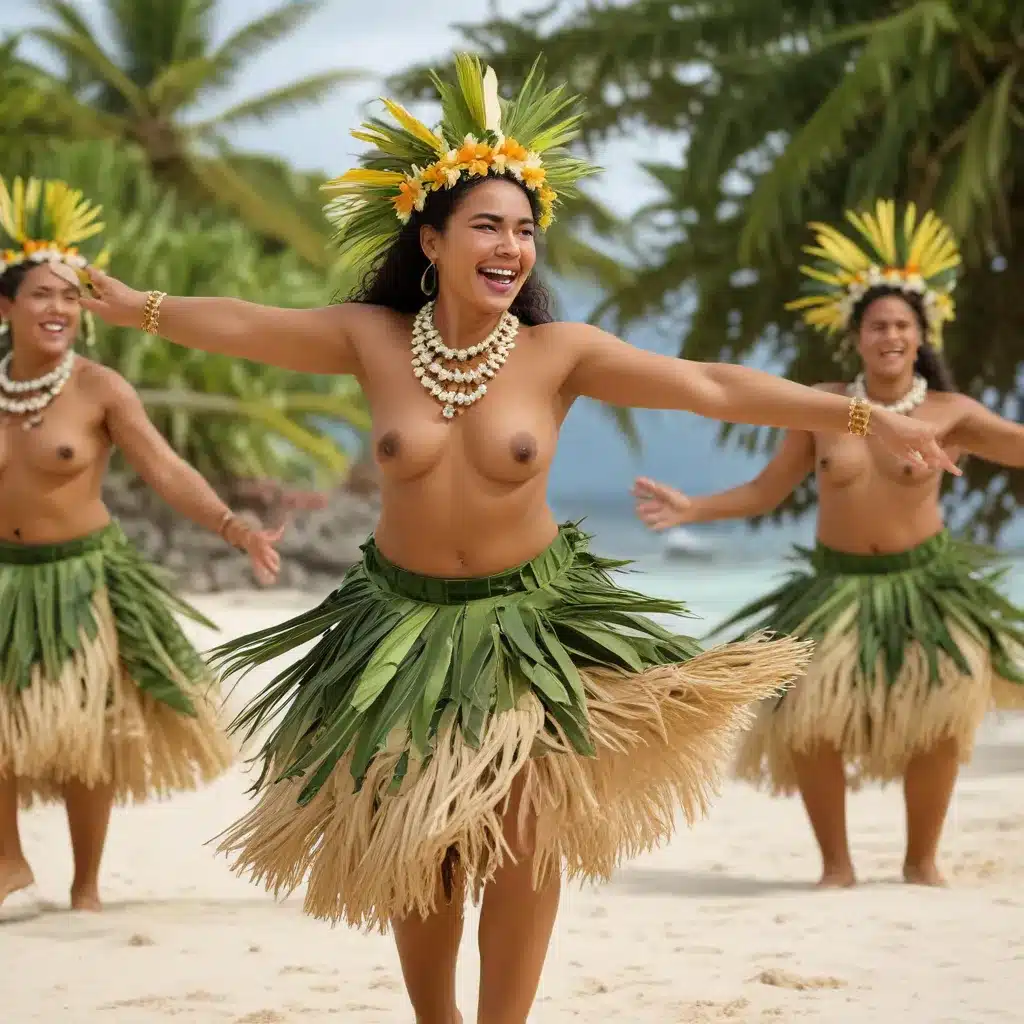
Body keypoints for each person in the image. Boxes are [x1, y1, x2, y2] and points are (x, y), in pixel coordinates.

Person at [83, 59, 954, 1023]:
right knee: (426, 842)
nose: (513, 246)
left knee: (526, 835)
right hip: (402, 631)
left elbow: (708, 384)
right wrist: (142, 311)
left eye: (526, 230)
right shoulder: (373, 337)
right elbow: (250, 324)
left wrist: (869, 421)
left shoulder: (558, 354)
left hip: (528, 628)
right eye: (489, 226)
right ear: (433, 238)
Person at [634, 200, 1024, 891]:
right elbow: (767, 491)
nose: (891, 336)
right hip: (834, 586)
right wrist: (695, 505)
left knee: (937, 722)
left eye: (903, 325)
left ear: (921, 333)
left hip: (925, 587)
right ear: (857, 336)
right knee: (810, 723)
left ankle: (920, 862)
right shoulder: (823, 405)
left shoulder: (951, 414)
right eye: (878, 325)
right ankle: (836, 869)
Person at [0, 176, 282, 921]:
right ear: (6, 308)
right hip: (4, 579)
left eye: (69, 296)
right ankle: (9, 856)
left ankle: (86, 886)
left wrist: (233, 526)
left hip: (82, 577)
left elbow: (165, 470)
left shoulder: (99, 389)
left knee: (84, 733)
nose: (59, 308)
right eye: (41, 295)